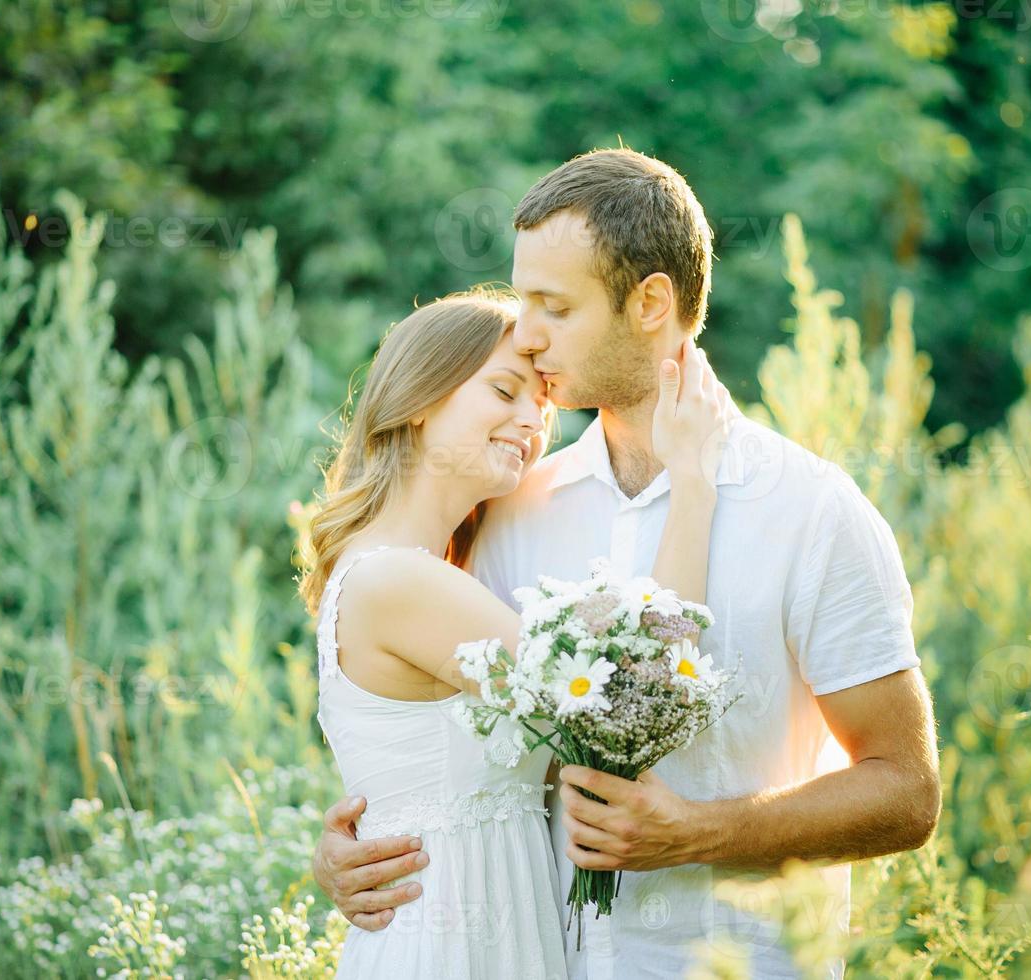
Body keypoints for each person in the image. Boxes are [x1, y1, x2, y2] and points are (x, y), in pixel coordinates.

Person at [312, 149, 941, 979]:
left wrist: (704, 832)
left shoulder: (812, 513)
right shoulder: (509, 507)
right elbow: (435, 726)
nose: (527, 335)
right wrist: (355, 843)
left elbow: (905, 793)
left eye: (554, 306)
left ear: (649, 302)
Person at [297, 286, 733, 979]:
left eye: (544, 404)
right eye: (504, 391)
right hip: (445, 946)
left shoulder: (431, 571)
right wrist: (693, 482)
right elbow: (631, 705)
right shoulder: (397, 581)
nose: (531, 419)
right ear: (417, 400)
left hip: (489, 933)